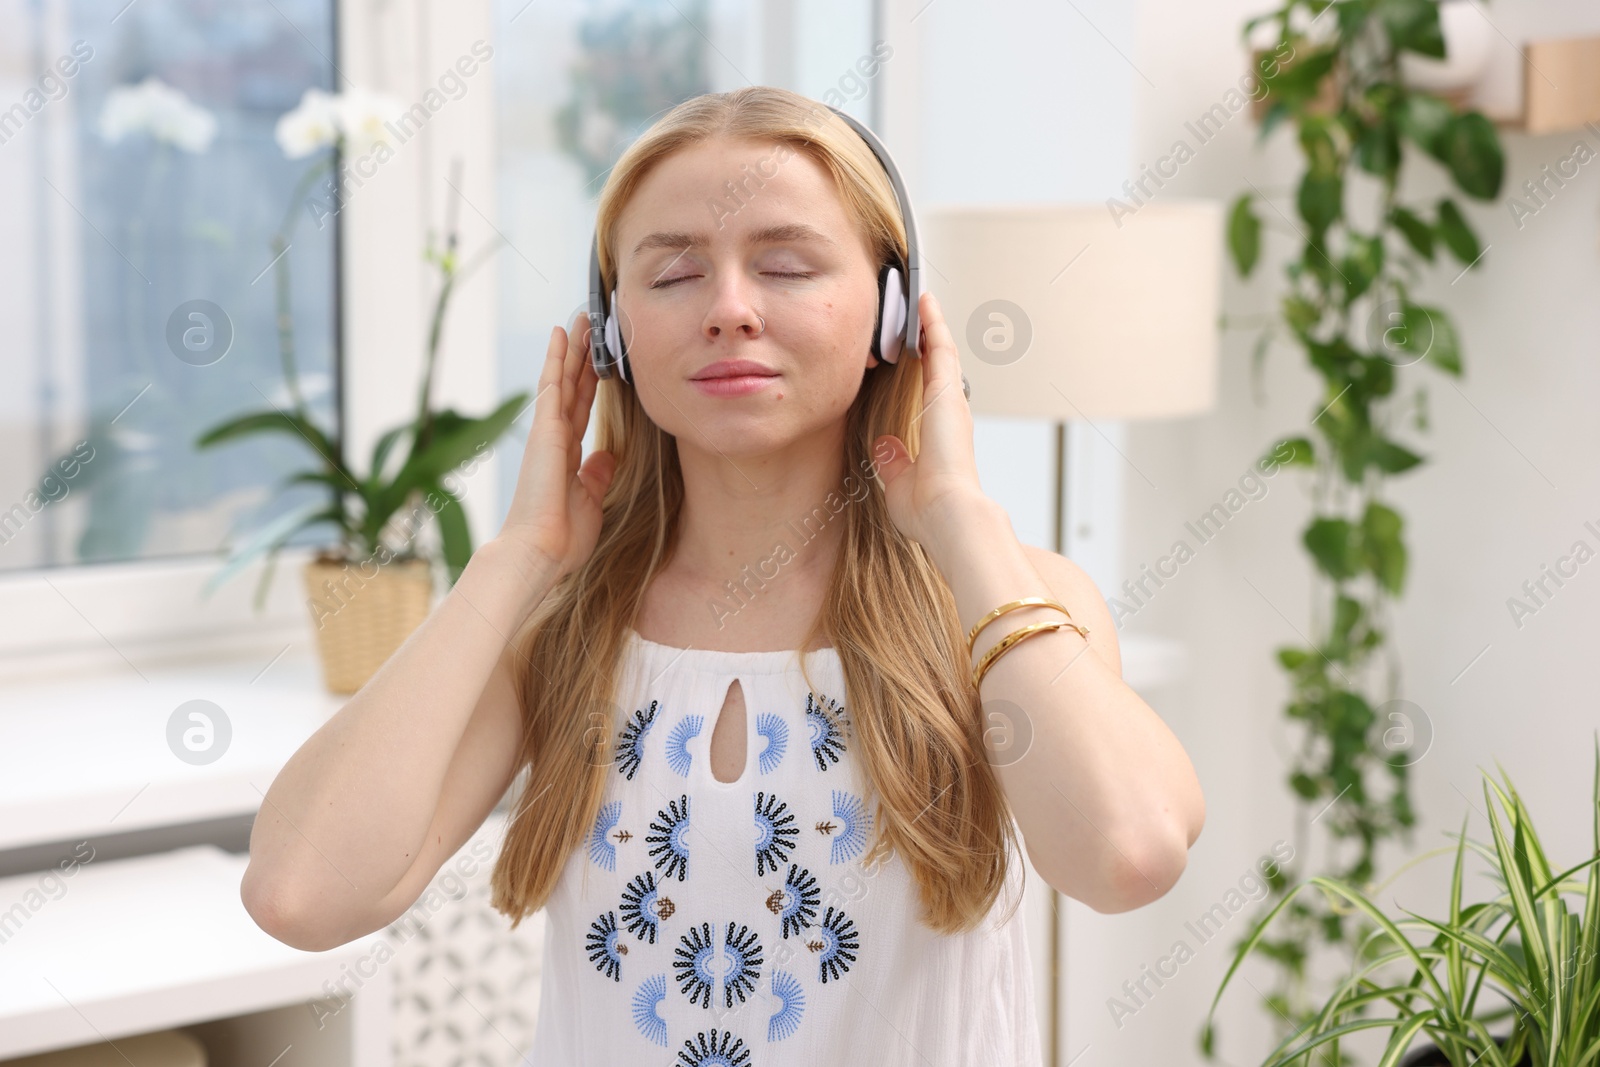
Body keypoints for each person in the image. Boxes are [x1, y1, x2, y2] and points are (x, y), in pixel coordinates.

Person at [241, 85, 1205, 1065]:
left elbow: (1127, 854)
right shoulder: (561, 627)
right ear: (610, 332)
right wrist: (515, 556)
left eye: (785, 265)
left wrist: (960, 523)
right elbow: (299, 893)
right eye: (672, 277)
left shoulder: (1010, 602)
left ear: (893, 313)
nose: (729, 310)